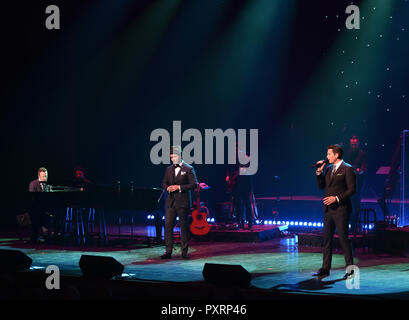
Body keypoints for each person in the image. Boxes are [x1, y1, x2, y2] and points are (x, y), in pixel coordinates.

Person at [314, 145, 356, 280]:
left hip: (341, 210)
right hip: (328, 210)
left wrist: (336, 199)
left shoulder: (347, 168)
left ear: (336, 155)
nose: (326, 157)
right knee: (327, 239)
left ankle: (350, 269)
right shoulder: (328, 169)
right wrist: (319, 173)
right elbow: (321, 187)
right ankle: (325, 269)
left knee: (344, 239)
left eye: (329, 154)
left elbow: (351, 190)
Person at [161, 145, 198, 259]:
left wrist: (179, 187)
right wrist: (167, 188)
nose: (172, 159)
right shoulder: (169, 169)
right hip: (171, 202)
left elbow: (194, 184)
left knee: (183, 227)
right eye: (171, 157)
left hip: (183, 202)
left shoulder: (188, 168)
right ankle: (168, 251)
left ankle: (184, 252)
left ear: (180, 156)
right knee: (168, 226)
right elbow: (164, 183)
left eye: (174, 157)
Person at [226, 147, 254, 229]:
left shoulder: (247, 159)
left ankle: (249, 222)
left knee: (247, 203)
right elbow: (229, 168)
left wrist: (239, 172)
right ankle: (239, 221)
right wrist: (228, 176)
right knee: (238, 204)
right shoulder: (234, 160)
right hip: (237, 184)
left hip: (246, 184)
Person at [344, 136, 367, 233]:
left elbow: (364, 166)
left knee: (356, 201)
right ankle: (349, 225)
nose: (353, 146)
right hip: (348, 179)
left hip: (358, 180)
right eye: (352, 144)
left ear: (358, 144)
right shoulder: (347, 152)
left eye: (355, 144)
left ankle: (356, 226)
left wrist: (360, 170)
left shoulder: (362, 153)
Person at [28, 167, 49, 243]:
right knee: (38, 213)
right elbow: (32, 198)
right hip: (35, 207)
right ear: (38, 176)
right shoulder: (33, 184)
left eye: (46, 176)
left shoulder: (48, 184)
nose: (45, 178)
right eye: (43, 176)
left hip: (45, 207)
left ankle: (50, 233)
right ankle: (42, 232)